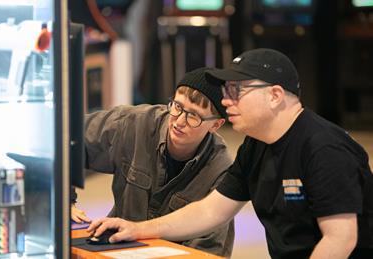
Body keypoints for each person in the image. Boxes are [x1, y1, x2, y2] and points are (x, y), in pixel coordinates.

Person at [87, 48, 373, 258]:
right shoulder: (256, 144)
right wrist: (138, 229)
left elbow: (340, 240)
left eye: (237, 91)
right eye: (227, 91)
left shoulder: (324, 148)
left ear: (274, 95)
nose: (225, 100)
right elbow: (210, 210)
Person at [71, 67, 235, 257]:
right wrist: (65, 201)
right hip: (115, 249)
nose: (179, 121)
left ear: (216, 125)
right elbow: (64, 139)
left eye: (193, 116)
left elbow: (209, 252)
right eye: (177, 106)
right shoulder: (133, 124)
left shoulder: (220, 171)